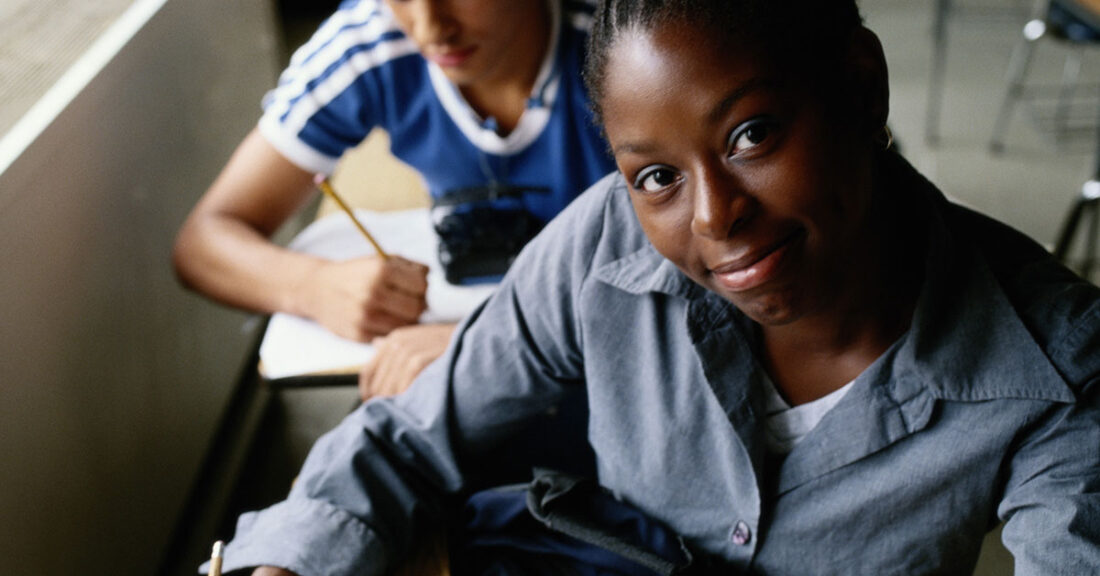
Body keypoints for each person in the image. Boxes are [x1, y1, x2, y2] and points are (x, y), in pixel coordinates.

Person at [209, 0, 1100, 574]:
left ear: (862, 88)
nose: (714, 217)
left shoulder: (1060, 367)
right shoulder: (599, 239)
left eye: (752, 134)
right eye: (657, 177)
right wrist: (283, 566)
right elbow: (409, 440)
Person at [172, 0, 615, 398]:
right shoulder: (369, 43)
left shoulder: (625, 42)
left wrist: (491, 342)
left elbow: (684, 279)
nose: (430, 27)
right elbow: (204, 242)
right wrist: (311, 287)